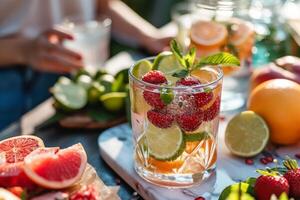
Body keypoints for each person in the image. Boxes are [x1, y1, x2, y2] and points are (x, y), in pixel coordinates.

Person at [0, 0, 173, 129]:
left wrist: (148, 36)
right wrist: (23, 50)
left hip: (80, 73)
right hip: (8, 76)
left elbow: (103, 5)